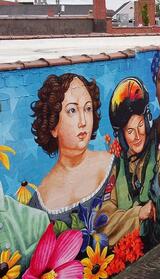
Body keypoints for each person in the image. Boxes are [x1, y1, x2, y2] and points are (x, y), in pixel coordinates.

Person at [97, 77, 160, 249]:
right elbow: (104, 220)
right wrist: (138, 214)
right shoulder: (116, 168)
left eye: (140, 126)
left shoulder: (158, 157)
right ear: (122, 136)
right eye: (130, 131)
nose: (137, 136)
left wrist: (156, 204)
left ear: (146, 122)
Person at [29, 73, 113, 225]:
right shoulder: (40, 201)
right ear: (53, 126)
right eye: (72, 111)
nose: (83, 121)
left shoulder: (112, 165)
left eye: (88, 108)